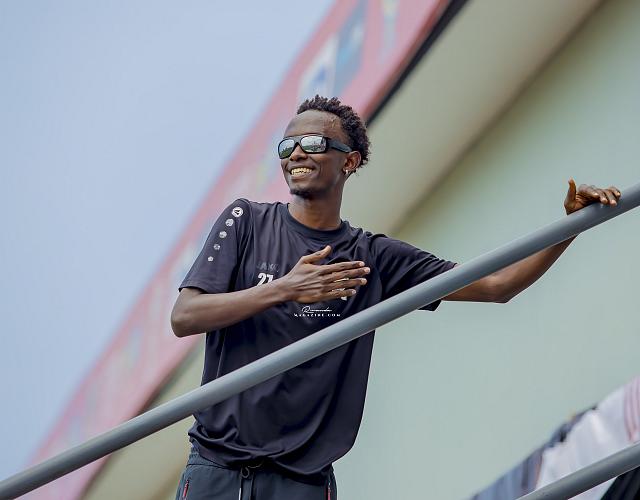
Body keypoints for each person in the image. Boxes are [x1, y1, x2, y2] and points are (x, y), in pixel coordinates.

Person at [170, 95, 621, 500]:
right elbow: (185, 316)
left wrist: (571, 227)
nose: (297, 154)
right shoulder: (246, 221)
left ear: (349, 162)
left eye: (313, 143)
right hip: (215, 467)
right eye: (287, 146)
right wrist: (285, 288)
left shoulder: (372, 257)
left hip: (301, 482)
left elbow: (497, 285)